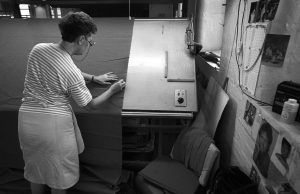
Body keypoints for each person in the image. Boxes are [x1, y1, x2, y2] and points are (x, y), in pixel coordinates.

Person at [18, 12, 126, 194]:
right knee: (59, 178)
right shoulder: (72, 73)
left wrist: (92, 77)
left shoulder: (39, 49)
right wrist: (112, 90)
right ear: (82, 39)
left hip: (26, 123)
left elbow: (61, 65)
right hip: (53, 129)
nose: (89, 45)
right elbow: (90, 105)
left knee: (36, 171)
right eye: (91, 42)